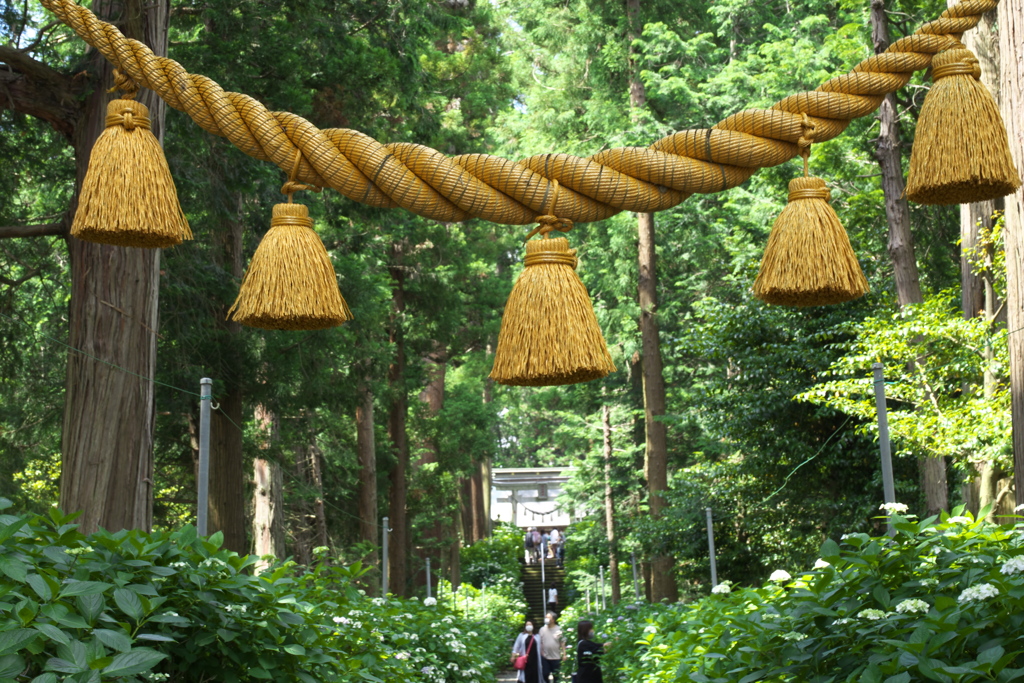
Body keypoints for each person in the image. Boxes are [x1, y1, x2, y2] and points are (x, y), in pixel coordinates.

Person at [538, 611, 565, 683]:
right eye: (545, 617)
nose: (546, 619)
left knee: (556, 676)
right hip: (545, 657)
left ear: (553, 620)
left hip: (556, 657)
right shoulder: (542, 629)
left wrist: (564, 654)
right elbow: (539, 642)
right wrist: (541, 653)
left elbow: (562, 642)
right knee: (545, 674)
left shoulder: (559, 629)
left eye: (548, 617)